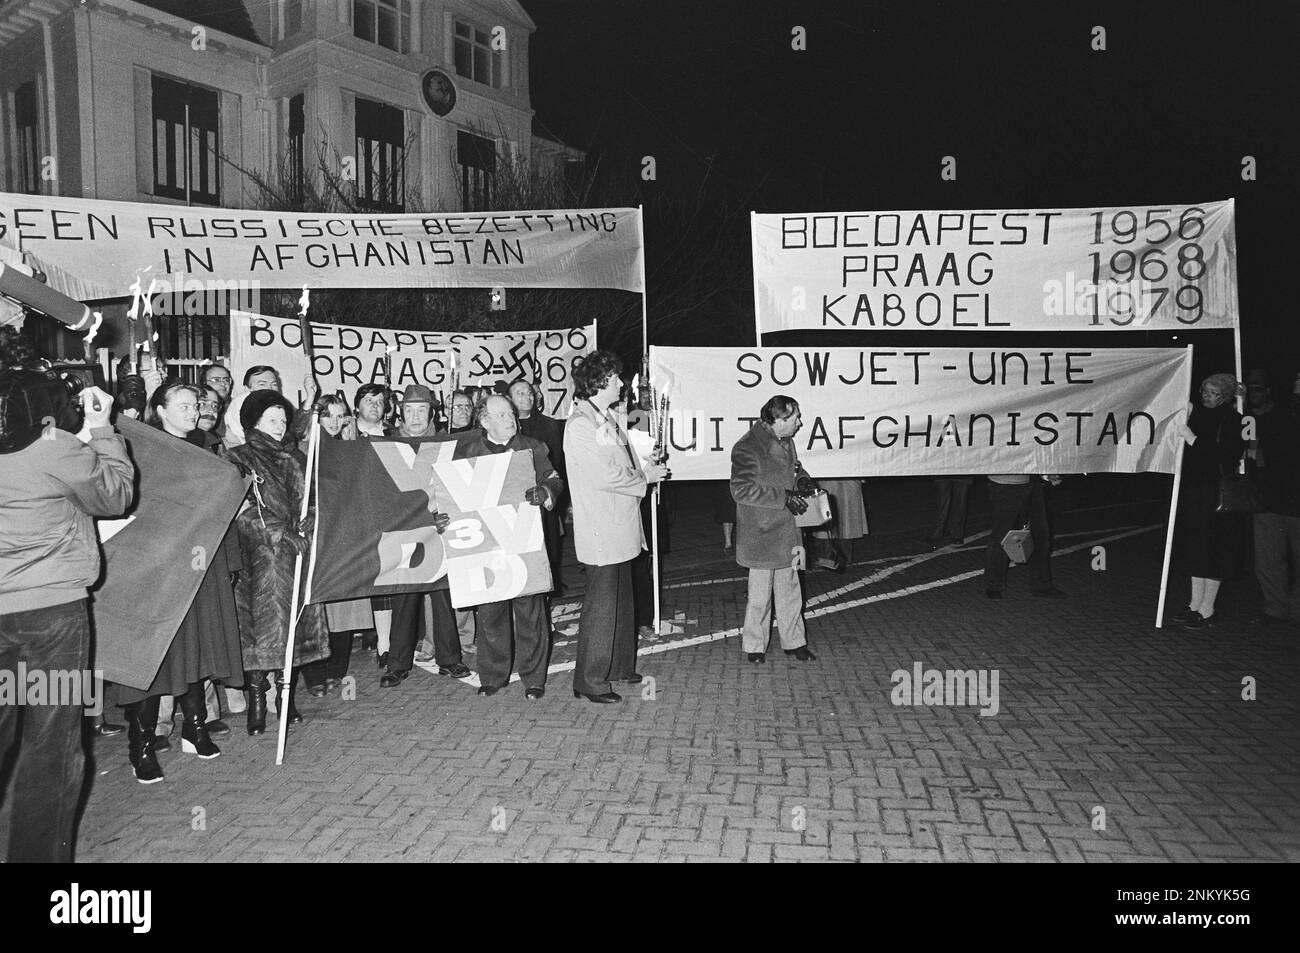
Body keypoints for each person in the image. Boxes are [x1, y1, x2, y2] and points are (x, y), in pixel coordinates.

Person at [0, 332, 134, 860]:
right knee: (49, 748)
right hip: (50, 612)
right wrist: (101, 428)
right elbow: (116, 494)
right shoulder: (53, 446)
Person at [113, 381, 245, 782]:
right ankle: (142, 743)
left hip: (199, 565)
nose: (193, 411)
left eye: (197, 405)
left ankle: (195, 726)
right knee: (152, 657)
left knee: (197, 648)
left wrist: (230, 559)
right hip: (153, 570)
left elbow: (223, 508)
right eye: (184, 405)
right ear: (160, 409)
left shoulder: (209, 450)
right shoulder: (140, 451)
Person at [565, 351, 668, 703]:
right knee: (603, 607)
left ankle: (620, 666)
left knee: (622, 602)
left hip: (620, 525)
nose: (621, 384)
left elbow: (619, 462)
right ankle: (589, 680)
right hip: (602, 529)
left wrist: (644, 462)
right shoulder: (581, 424)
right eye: (614, 379)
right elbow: (605, 475)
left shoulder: (604, 419)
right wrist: (645, 478)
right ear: (598, 382)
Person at [225, 391, 331, 733]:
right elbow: (240, 508)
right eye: (273, 419)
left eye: (283, 419)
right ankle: (258, 699)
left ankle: (287, 700)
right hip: (264, 559)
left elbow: (314, 495)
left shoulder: (298, 457)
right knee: (263, 630)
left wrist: (312, 515)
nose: (280, 425)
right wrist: (280, 532)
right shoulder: (239, 457)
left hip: (300, 557)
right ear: (254, 422)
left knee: (295, 628)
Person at [459, 395, 564, 698]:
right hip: (488, 542)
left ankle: (534, 679)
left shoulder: (532, 447)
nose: (510, 419)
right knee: (491, 611)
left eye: (511, 413)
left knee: (530, 611)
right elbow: (454, 495)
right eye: (501, 415)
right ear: (484, 421)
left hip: (524, 539)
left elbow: (554, 479)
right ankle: (493, 676)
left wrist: (545, 491)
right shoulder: (468, 453)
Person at [381, 384, 472, 687]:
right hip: (406, 530)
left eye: (422, 409)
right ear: (401, 412)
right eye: (409, 409)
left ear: (431, 412)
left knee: (443, 594)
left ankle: (450, 659)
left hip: (438, 529)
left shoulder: (444, 443)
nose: (416, 416)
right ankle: (397, 663)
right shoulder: (390, 445)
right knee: (405, 598)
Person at [730, 395, 817, 664]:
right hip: (761, 532)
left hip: (786, 529)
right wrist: (784, 497)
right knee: (759, 595)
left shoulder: (786, 441)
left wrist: (802, 482)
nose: (800, 423)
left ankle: (794, 642)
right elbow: (740, 490)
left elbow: (795, 468)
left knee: (791, 590)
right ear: (778, 420)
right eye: (795, 418)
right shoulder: (747, 447)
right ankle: (755, 646)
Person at [302, 394, 373, 695]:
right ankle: (314, 675)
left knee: (345, 607)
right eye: (327, 415)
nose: (333, 420)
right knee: (316, 608)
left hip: (343, 537)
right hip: (316, 540)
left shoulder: (348, 451)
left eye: (339, 415)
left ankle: (337, 670)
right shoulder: (302, 451)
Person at [1169, 373, 1250, 629]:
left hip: (1216, 492)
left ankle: (1207, 609)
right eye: (1205, 391)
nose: (1207, 396)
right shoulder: (1197, 415)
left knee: (1214, 549)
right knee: (1196, 547)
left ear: (1225, 397)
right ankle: (1194, 605)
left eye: (1214, 393)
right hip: (1195, 489)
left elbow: (1228, 455)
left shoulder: (1233, 420)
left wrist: (1193, 439)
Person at [1244, 369, 1300, 626]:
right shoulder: (1247, 418)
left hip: (1293, 496)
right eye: (1250, 388)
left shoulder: (1287, 415)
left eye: (1259, 388)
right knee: (1268, 558)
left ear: (1268, 390)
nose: (1254, 393)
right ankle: (1275, 607)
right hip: (1266, 498)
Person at [510, 379, 567, 594]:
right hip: (514, 503)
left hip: (542, 499)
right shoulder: (507, 426)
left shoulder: (549, 425)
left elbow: (557, 465)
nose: (527, 397)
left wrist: (549, 490)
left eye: (529, 393)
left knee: (548, 551)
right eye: (520, 394)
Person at [982, 474, 1063, 600]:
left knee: (1040, 535)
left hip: (1030, 481)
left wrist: (1045, 474)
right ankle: (993, 585)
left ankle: (1041, 584)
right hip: (1004, 483)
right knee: (1001, 536)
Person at [925, 477, 972, 549]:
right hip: (947, 472)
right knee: (945, 502)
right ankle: (941, 532)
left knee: (958, 502)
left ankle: (955, 534)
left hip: (960, 472)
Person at [201, 363, 233, 441]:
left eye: (226, 380)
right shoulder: (197, 407)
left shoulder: (237, 407)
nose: (223, 384)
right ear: (204, 383)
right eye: (216, 380)